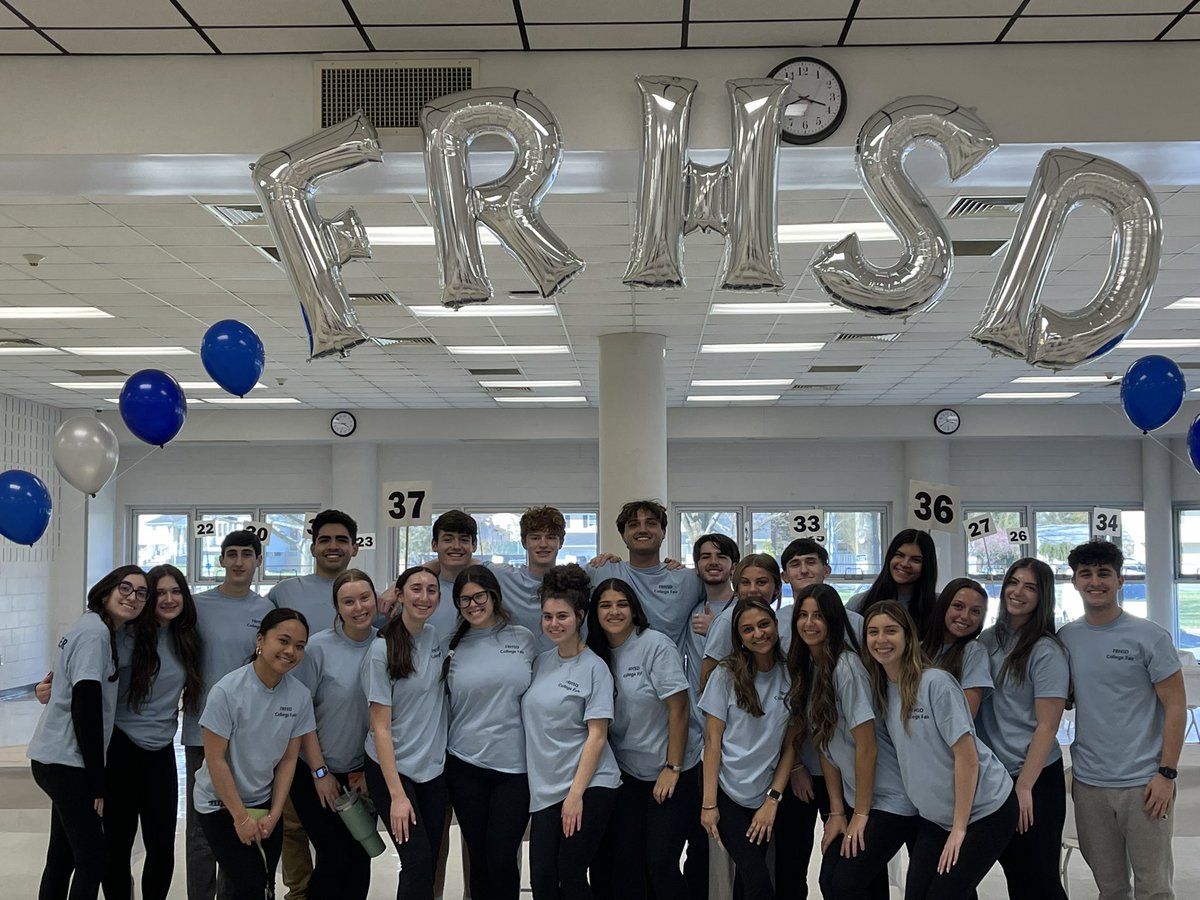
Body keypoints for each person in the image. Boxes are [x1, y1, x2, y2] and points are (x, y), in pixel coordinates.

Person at [860, 601, 1017, 899]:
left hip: (985, 810)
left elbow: (967, 758)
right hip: (937, 817)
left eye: (890, 631)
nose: (881, 640)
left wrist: (959, 829)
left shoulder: (935, 683)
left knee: (944, 893)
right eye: (873, 632)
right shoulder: (883, 690)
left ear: (908, 637)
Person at [1058, 540, 1185, 900]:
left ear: (1119, 581)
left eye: (1104, 574)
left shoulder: (1149, 636)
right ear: (1075, 582)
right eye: (1086, 574)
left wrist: (1167, 774)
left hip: (1145, 784)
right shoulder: (1067, 638)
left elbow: (1176, 705)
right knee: (1110, 887)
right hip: (1089, 785)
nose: (1095, 581)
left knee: (1155, 887)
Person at [789, 583, 917, 900]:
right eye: (802, 615)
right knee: (832, 881)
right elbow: (826, 746)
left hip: (889, 801)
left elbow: (867, 745)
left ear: (833, 620)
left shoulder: (847, 667)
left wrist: (860, 814)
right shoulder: (812, 669)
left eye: (818, 615)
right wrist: (836, 813)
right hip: (855, 800)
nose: (809, 623)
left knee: (845, 883)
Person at [27, 565, 146, 900]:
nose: (132, 597)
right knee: (93, 859)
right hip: (67, 762)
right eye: (125, 588)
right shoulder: (95, 634)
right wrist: (98, 781)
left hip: (53, 756)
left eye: (140, 593)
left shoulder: (90, 626)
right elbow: (86, 708)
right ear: (106, 590)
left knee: (62, 856)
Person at [586, 578, 699, 900]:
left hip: (673, 770)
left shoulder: (654, 645)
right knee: (626, 861)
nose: (614, 611)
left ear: (634, 610)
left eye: (622, 604)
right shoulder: (595, 652)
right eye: (605, 605)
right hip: (627, 773)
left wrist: (672, 766)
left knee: (660, 862)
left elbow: (679, 708)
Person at [193, 608, 315, 900]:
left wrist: (274, 813)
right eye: (283, 641)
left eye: (299, 646)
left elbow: (288, 761)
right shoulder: (227, 691)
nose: (290, 651)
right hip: (219, 804)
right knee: (249, 882)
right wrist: (240, 818)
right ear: (260, 640)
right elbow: (215, 759)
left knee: (265, 884)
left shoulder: (299, 696)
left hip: (262, 803)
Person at [103, 564, 203, 900]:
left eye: (176, 592)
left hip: (160, 751)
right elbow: (88, 676)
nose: (169, 599)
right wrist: (51, 686)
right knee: (117, 844)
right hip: (121, 748)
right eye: (160, 592)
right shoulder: (127, 636)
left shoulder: (185, 638)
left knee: (161, 846)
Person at [523, 564, 621, 900]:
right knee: (542, 878)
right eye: (547, 616)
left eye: (562, 616)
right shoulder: (541, 661)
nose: (553, 624)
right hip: (545, 788)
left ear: (580, 616)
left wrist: (575, 796)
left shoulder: (595, 668)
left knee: (571, 872)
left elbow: (597, 735)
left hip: (589, 785)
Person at [187, 529, 276, 900]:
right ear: (221, 560)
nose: (239, 561)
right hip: (201, 734)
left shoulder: (265, 611)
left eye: (247, 554)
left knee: (238, 828)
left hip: (249, 740)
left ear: (258, 561)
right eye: (232, 554)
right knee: (201, 832)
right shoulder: (196, 607)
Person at [441, 565, 537, 900]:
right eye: (464, 599)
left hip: (514, 768)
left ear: (493, 596)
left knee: (501, 856)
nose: (472, 604)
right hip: (464, 765)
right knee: (479, 857)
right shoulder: (451, 647)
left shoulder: (523, 638)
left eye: (478, 596)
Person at [977, 558, 1069, 900]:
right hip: (994, 778)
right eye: (1013, 582)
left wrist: (1025, 787)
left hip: (1033, 777)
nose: (1018, 592)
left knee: (1039, 878)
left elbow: (1048, 725)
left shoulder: (1045, 650)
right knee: (1014, 870)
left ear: (1042, 596)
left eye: (1030, 587)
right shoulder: (986, 641)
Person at [289, 568, 380, 900]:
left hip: (364, 772)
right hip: (317, 771)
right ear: (337, 607)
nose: (358, 607)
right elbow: (301, 717)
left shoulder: (386, 645)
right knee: (334, 856)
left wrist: (372, 771)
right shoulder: (317, 649)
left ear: (376, 600)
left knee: (360, 856)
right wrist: (320, 772)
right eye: (348, 601)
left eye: (364, 598)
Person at [698, 598, 798, 900]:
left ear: (776, 626)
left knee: (747, 881)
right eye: (748, 629)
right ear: (739, 637)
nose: (758, 634)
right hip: (726, 794)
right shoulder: (725, 675)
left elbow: (790, 745)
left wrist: (773, 800)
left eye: (764, 624)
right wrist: (709, 804)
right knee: (758, 881)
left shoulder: (791, 674)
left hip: (764, 793)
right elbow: (712, 742)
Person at [362, 565, 449, 900]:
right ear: (398, 596)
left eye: (431, 590)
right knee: (415, 861)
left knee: (429, 861)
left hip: (432, 769)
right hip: (393, 770)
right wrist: (398, 796)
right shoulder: (381, 650)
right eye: (415, 589)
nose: (424, 596)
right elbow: (380, 728)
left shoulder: (435, 639)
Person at [591, 500, 705, 647]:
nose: (642, 530)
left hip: (668, 667)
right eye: (633, 525)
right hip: (609, 669)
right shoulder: (601, 571)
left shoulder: (687, 579)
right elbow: (558, 584)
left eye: (651, 523)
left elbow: (725, 598)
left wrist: (713, 625)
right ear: (623, 535)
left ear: (663, 532)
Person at [487, 506, 567, 653]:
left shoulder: (574, 581)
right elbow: (462, 562)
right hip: (518, 667)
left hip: (561, 668)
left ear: (560, 542)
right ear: (524, 542)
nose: (543, 544)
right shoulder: (503, 577)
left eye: (550, 537)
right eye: (535, 537)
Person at [919, 578, 993, 717]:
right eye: (958, 606)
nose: (965, 616)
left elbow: (967, 716)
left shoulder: (974, 651)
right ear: (944, 606)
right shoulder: (917, 649)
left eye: (975, 611)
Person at [847, 529, 938, 633]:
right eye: (899, 555)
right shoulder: (858, 603)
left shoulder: (939, 606)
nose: (904, 564)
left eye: (916, 560)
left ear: (927, 566)